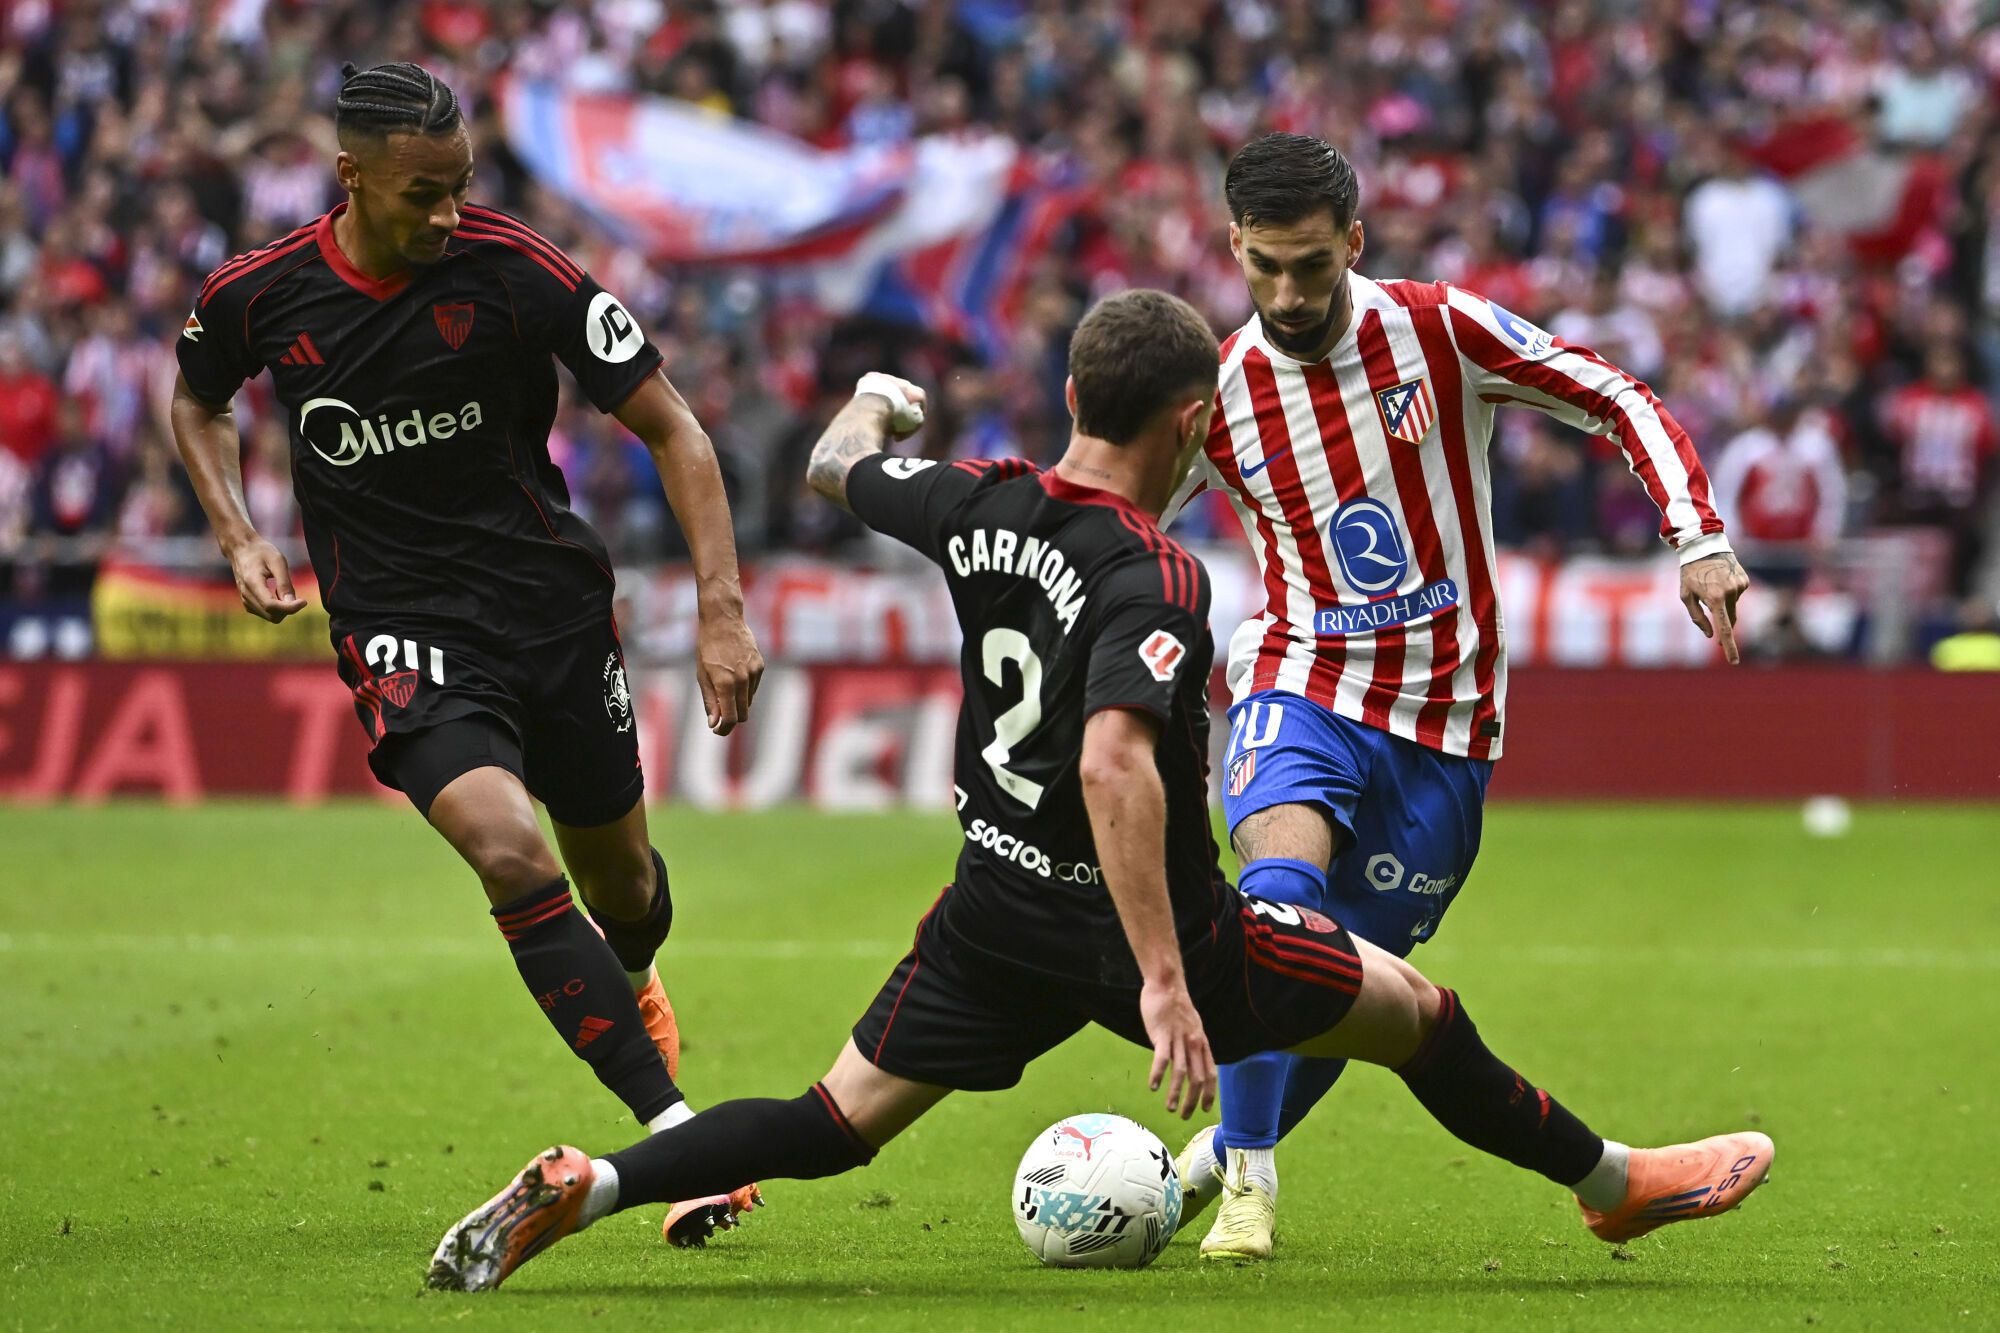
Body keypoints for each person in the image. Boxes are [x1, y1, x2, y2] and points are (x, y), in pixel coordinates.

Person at [422, 290, 1772, 1293]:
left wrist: (884, 408)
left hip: (989, 916)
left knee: (829, 1124)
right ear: (1194, 425)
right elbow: (1116, 761)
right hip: (1160, 933)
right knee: (1417, 1014)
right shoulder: (1153, 574)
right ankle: (1614, 1187)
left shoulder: (977, 504)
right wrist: (1168, 984)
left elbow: (836, 468)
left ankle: (587, 1185)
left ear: (1072, 393)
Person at [168, 62, 766, 1245]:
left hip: (549, 611)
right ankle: (678, 1139)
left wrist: (720, 609)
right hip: (400, 625)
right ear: (350, 177)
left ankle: (632, 979)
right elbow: (196, 400)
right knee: (508, 850)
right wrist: (238, 535)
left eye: (461, 188)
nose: (447, 215)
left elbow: (674, 427)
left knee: (626, 893)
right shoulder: (259, 295)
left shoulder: (520, 270)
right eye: (421, 193)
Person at [1158, 133, 1751, 1260]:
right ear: (1232, 245)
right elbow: (1112, 522)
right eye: (1263, 266)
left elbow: (1608, 391)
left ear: (1354, 243)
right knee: (1274, 909)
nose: (1286, 295)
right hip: (1300, 677)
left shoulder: (1436, 328)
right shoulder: (1216, 390)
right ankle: (1248, 1190)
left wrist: (1696, 536)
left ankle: (1196, 1168)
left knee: (1345, 990)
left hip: (1445, 722)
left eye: (1311, 267)